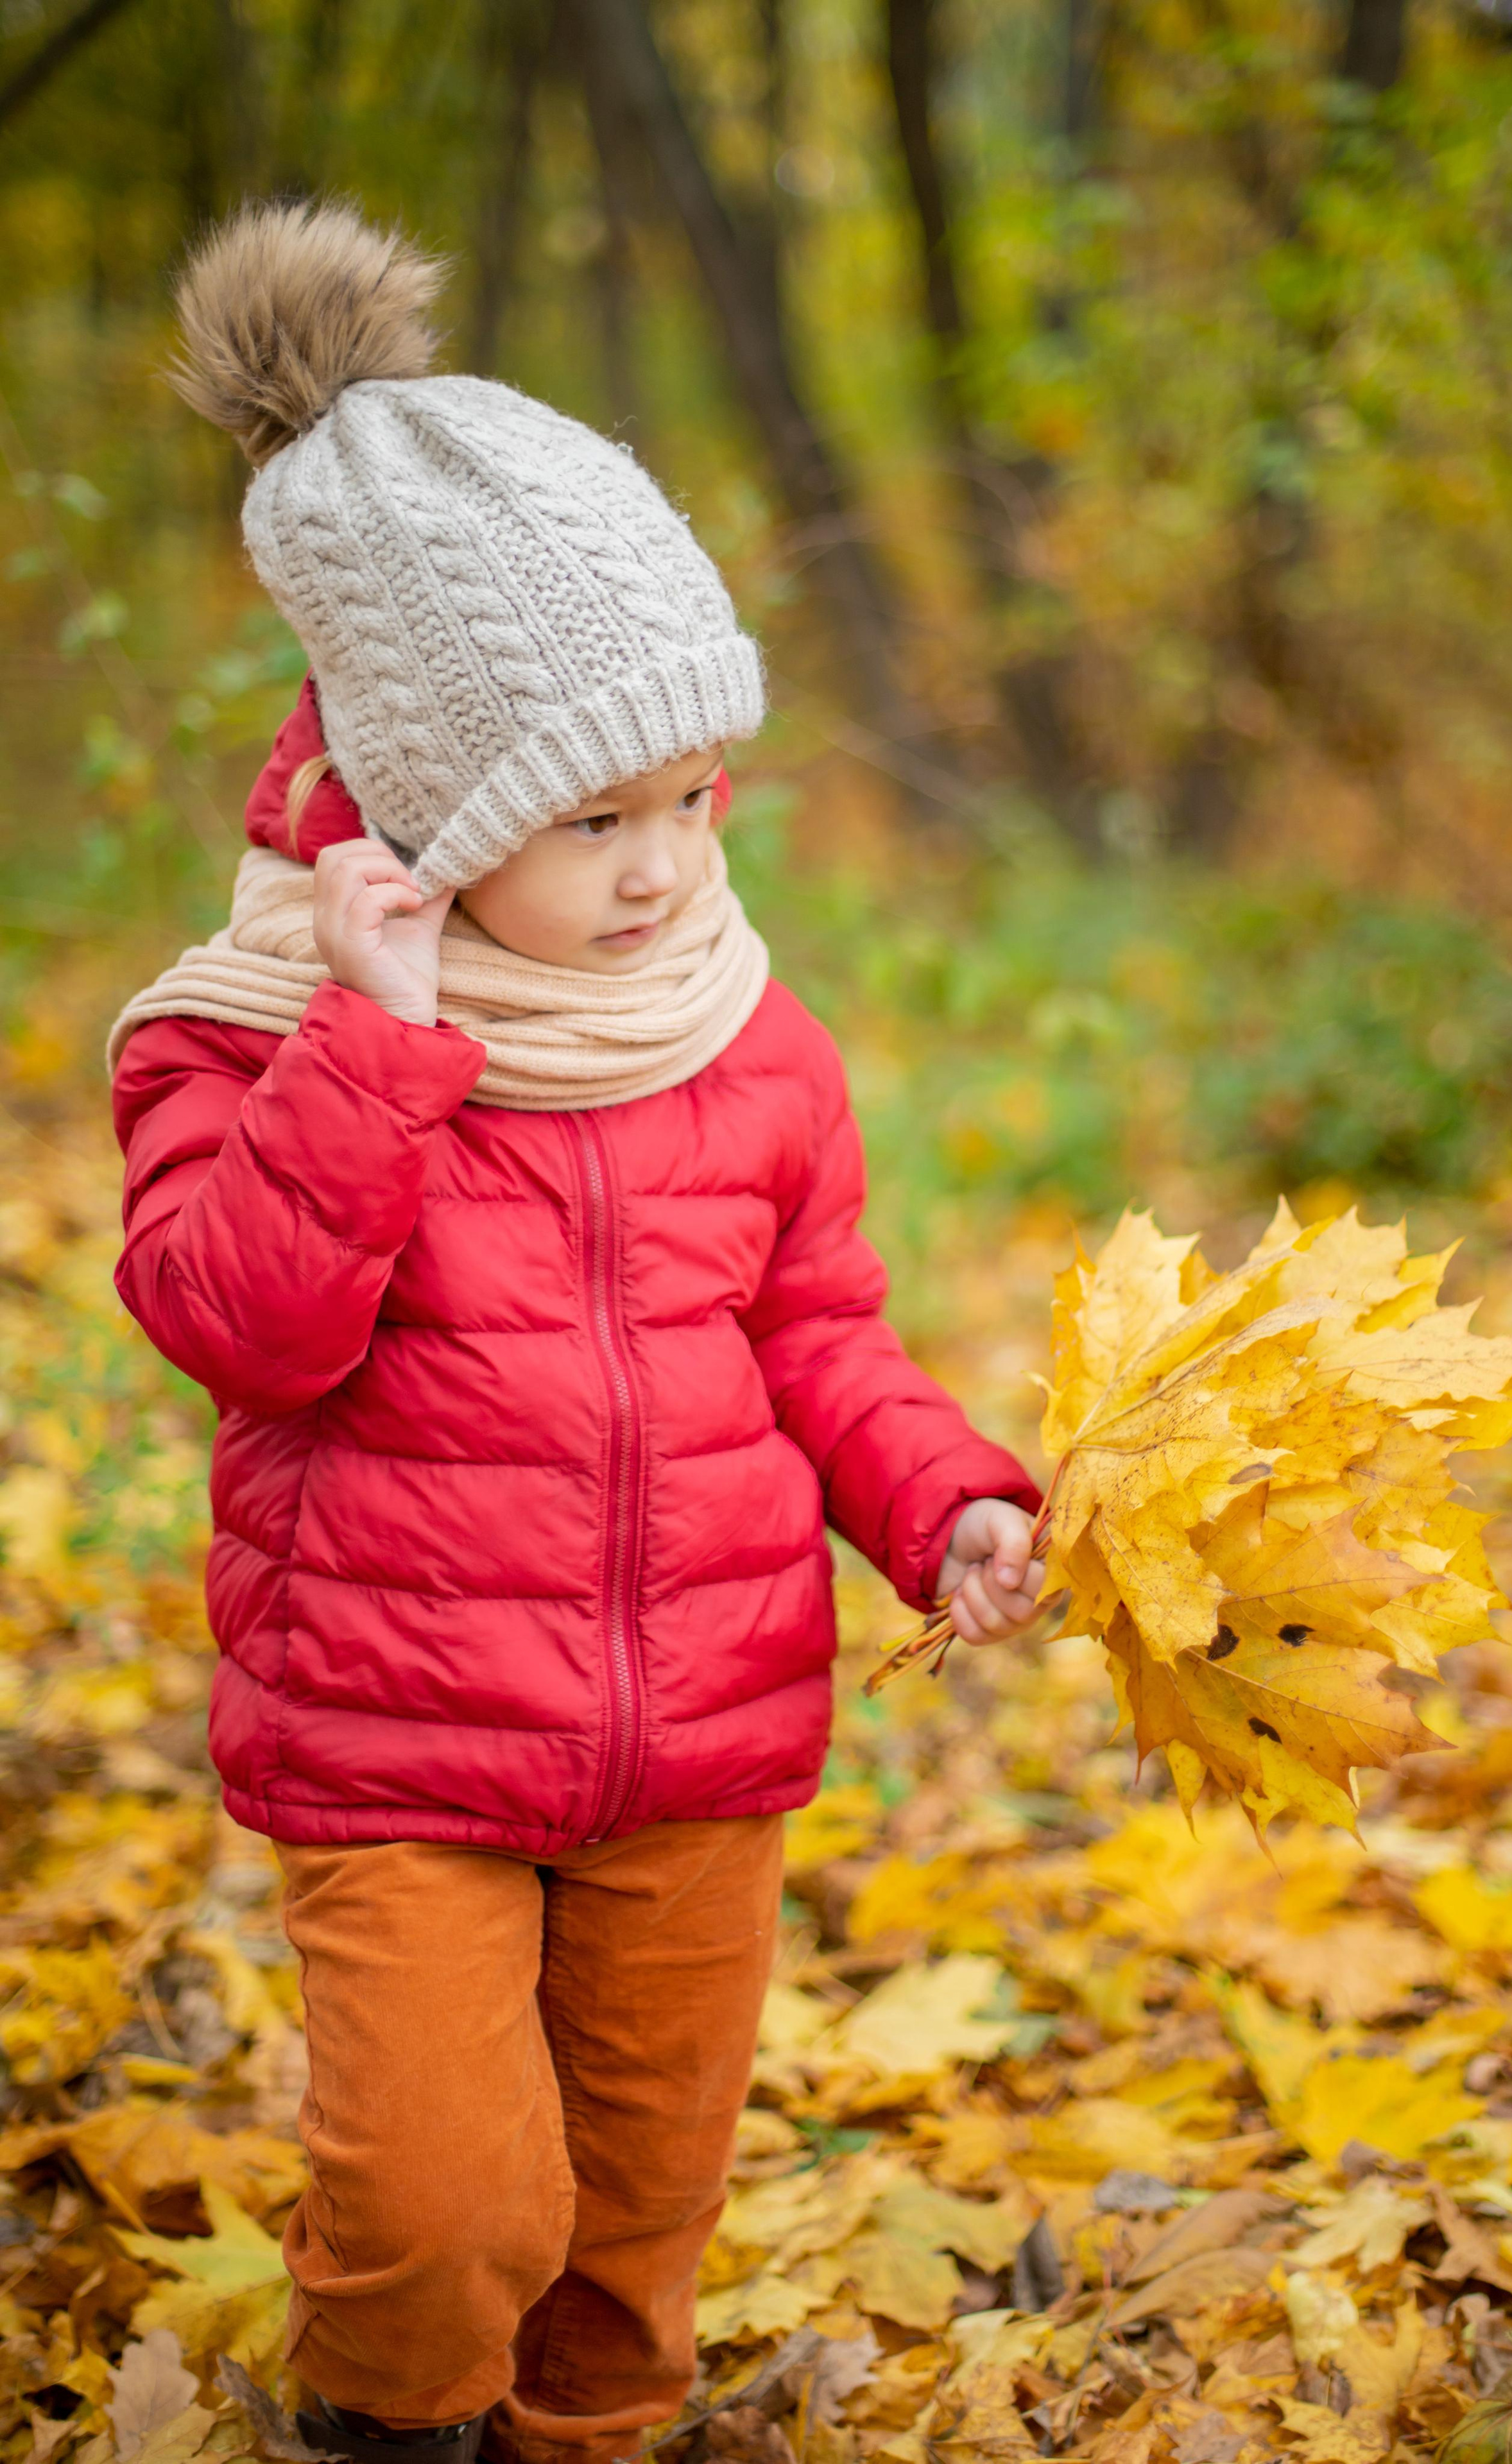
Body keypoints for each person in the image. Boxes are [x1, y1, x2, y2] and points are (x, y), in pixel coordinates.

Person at [108, 200, 1043, 2464]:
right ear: (422, 824)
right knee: (442, 2210)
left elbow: (821, 1327)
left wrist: (946, 1499)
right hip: (405, 1741)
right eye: (592, 816)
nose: (660, 869)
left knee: (634, 2221)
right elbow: (241, 1327)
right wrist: (378, 1040)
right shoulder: (253, 1038)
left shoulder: (742, 1031)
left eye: (691, 798)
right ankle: (395, 2429)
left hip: (698, 1749)